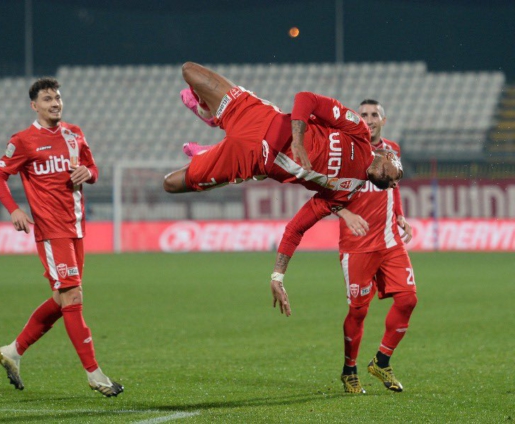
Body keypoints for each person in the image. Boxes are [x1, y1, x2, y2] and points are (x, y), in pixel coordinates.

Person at [270, 99, 417, 394]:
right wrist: (345, 213)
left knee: (408, 300)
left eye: (374, 114)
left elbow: (394, 186)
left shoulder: (392, 151)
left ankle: (382, 361)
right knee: (358, 312)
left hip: (389, 241)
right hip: (357, 245)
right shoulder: (347, 147)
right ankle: (350, 369)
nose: (369, 119)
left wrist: (400, 215)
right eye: (364, 114)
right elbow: (328, 193)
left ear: (383, 121)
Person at [0, 77, 123, 397]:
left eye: (58, 98)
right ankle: (95, 374)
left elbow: (93, 169)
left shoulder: (74, 133)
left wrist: (89, 173)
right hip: (51, 231)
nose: (55, 103)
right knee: (73, 297)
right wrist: (14, 209)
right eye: (48, 99)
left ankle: (13, 351)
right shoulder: (23, 140)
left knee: (62, 299)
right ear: (34, 105)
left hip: (76, 227)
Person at [164, 62, 403, 203]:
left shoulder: (349, 190)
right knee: (189, 70)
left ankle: (213, 153)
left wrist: (281, 266)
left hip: (252, 159)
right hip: (258, 117)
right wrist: (297, 140)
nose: (394, 183)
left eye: (395, 182)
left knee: (170, 183)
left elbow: (315, 210)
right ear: (385, 153)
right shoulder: (357, 130)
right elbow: (306, 99)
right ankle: (208, 115)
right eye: (395, 171)